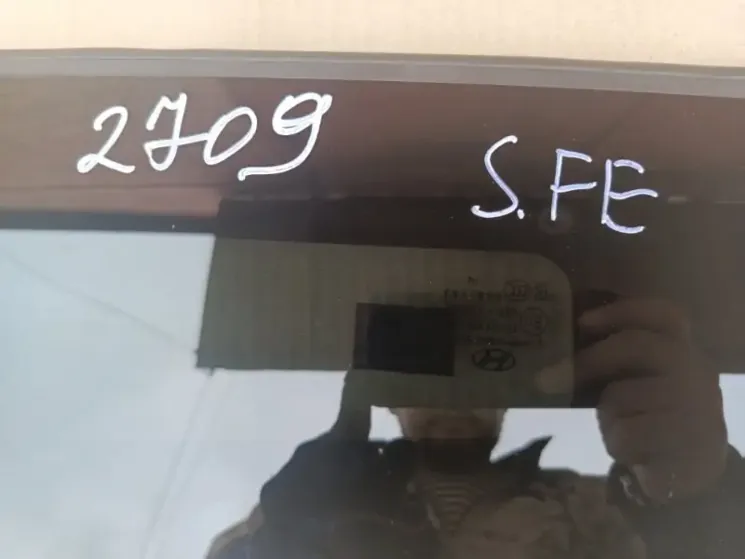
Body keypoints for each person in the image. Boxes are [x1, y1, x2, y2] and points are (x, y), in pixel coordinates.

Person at [206, 298, 745, 559]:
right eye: (425, 369)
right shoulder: (297, 509)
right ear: (386, 394)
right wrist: (283, 541)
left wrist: (698, 492)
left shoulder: (587, 506)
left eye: (482, 368)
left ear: (509, 393)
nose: (455, 390)